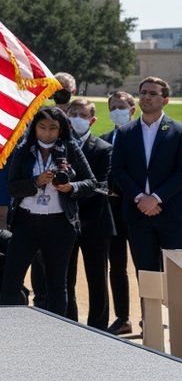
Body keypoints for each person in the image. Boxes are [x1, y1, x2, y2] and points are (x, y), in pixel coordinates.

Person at [0, 106, 96, 316]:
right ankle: (6, 329)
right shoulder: (24, 150)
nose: (47, 133)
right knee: (11, 279)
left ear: (61, 129)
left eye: (53, 128)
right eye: (42, 127)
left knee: (56, 282)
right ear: (34, 128)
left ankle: (57, 333)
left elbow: (91, 182)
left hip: (59, 223)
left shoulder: (71, 148)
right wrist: (36, 181)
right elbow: (13, 187)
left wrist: (71, 187)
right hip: (26, 221)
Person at [111, 77, 182, 277]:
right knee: (146, 276)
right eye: (143, 93)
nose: (146, 97)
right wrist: (140, 198)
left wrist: (156, 198)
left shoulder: (178, 131)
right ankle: (148, 311)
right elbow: (118, 169)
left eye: (153, 93)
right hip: (138, 215)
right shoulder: (126, 133)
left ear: (165, 100)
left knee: (176, 279)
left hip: (172, 215)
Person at [63, 97, 113, 330]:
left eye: (83, 115)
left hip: (95, 221)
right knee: (65, 277)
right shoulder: (59, 146)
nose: (77, 119)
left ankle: (99, 326)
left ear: (92, 120)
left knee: (97, 277)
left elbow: (101, 185)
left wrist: (71, 190)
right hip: (64, 221)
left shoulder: (104, 149)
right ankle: (69, 321)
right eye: (73, 113)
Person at [101, 91, 136, 335]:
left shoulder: (141, 137)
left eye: (121, 106)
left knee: (145, 266)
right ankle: (122, 317)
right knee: (117, 266)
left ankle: (151, 315)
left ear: (132, 109)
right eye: (113, 107)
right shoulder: (103, 140)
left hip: (138, 210)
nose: (116, 111)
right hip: (111, 213)